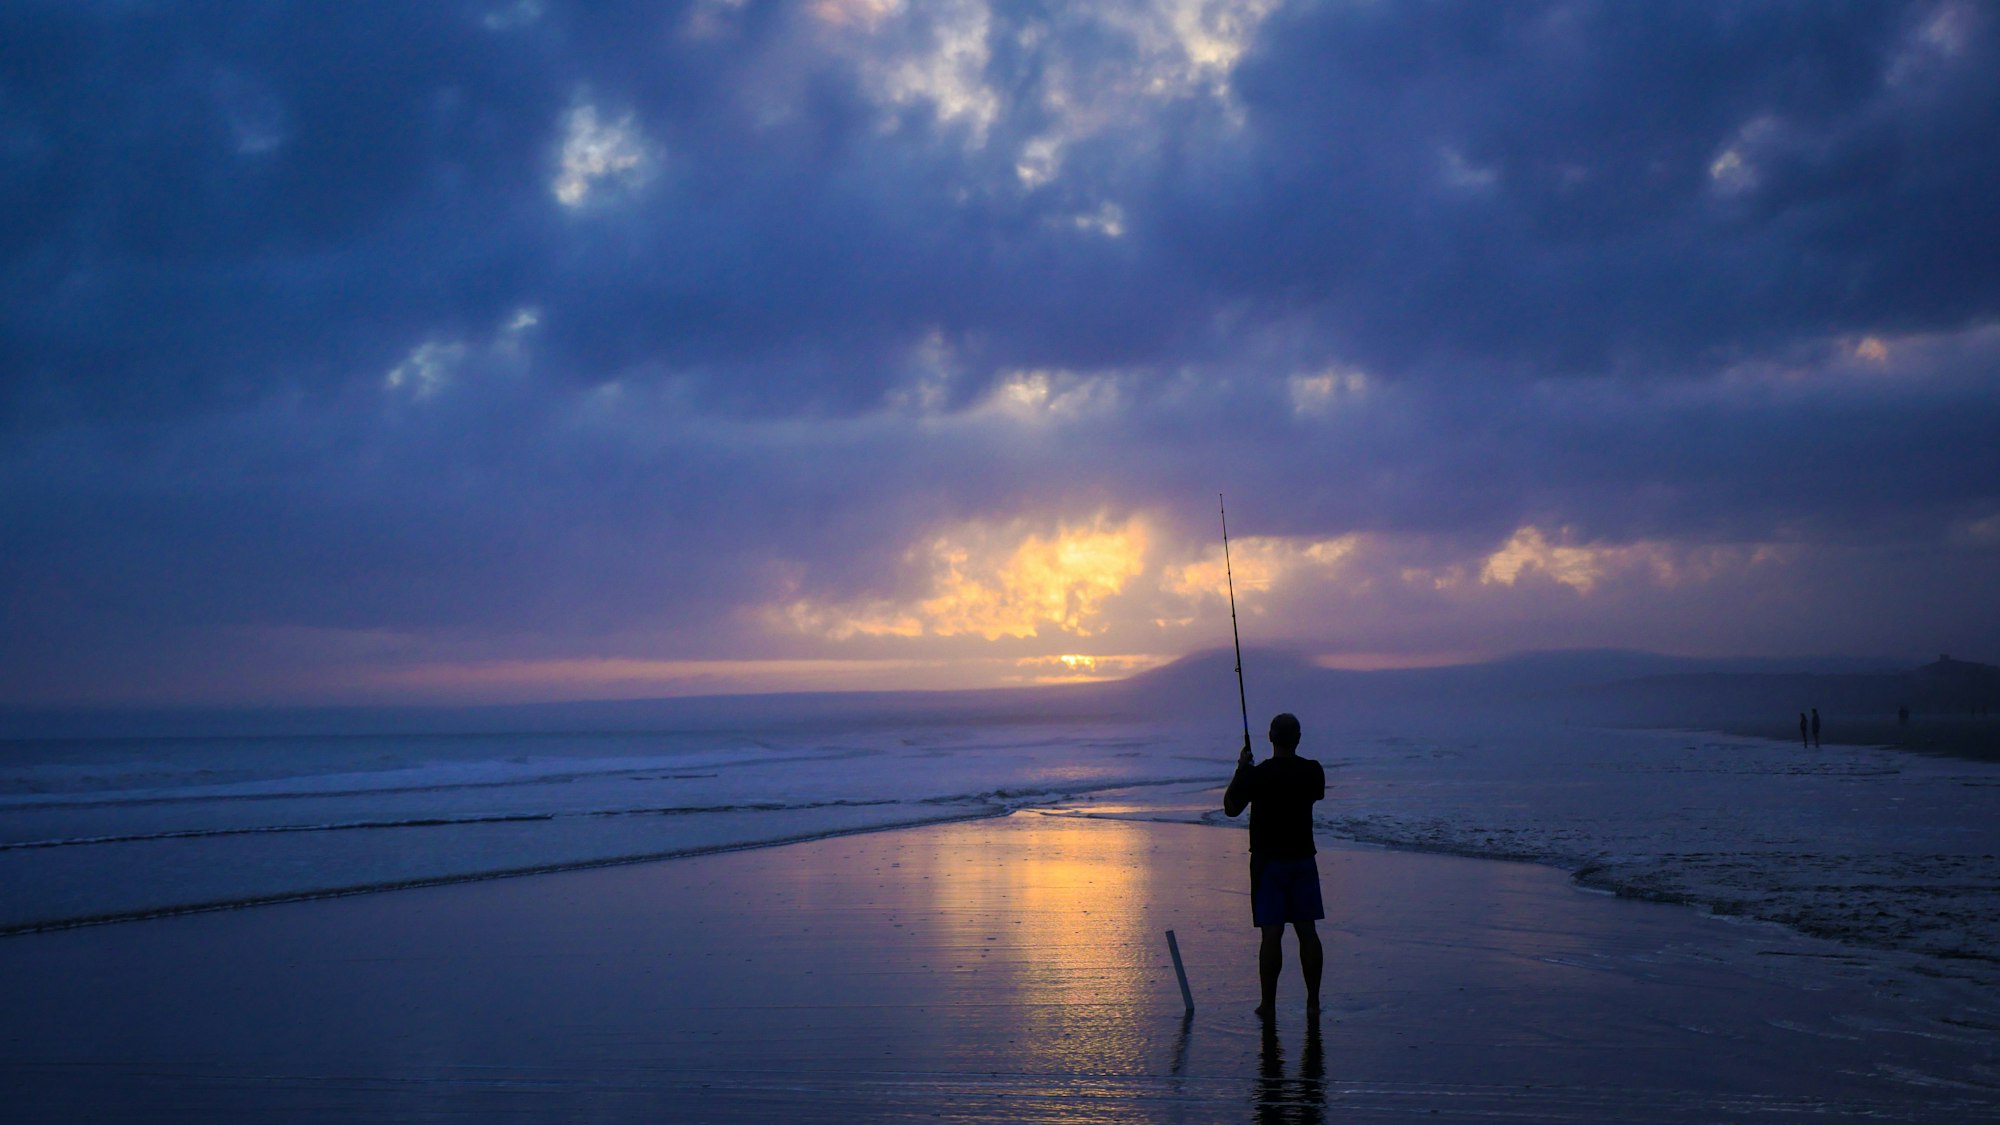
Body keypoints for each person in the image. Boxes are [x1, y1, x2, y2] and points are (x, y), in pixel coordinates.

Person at [1224, 712, 1326, 1019]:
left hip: (1269, 864)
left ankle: (1268, 1004)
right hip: (1303, 860)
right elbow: (1316, 793)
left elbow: (1230, 808)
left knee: (1271, 935)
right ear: (1298, 738)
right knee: (1307, 932)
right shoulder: (1312, 771)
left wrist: (1241, 770)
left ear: (1270, 738)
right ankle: (1313, 1002)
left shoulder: (1259, 774)